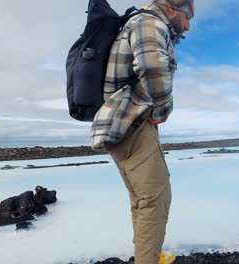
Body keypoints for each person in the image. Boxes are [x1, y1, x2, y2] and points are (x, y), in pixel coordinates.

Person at [91, 0, 194, 263]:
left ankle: (145, 256)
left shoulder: (140, 22)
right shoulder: (149, 22)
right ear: (173, 6)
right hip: (132, 123)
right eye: (187, 15)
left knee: (142, 199)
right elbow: (152, 69)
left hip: (120, 126)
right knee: (156, 200)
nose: (188, 25)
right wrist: (162, 111)